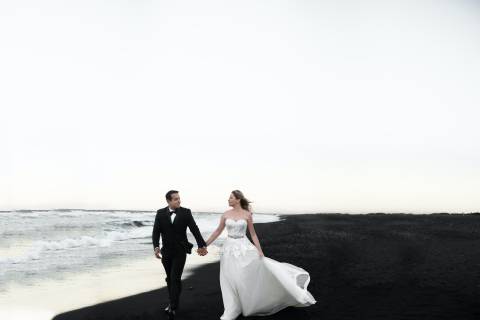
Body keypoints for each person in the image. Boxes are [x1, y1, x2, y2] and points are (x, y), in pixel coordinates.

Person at [204, 190, 316, 320]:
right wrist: (205, 244)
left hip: (244, 247)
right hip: (228, 248)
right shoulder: (225, 214)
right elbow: (218, 231)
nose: (228, 200)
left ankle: (246, 302)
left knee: (242, 276)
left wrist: (260, 250)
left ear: (238, 199)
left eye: (231, 198)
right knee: (228, 277)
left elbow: (253, 234)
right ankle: (232, 307)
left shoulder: (247, 214)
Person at [152, 190, 208, 319]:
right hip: (166, 252)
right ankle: (172, 302)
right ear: (169, 201)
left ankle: (173, 306)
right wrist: (156, 247)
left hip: (180, 251)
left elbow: (194, 229)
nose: (179, 201)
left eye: (179, 198)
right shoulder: (160, 213)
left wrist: (201, 245)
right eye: (176, 199)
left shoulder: (186, 212)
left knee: (175, 278)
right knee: (169, 278)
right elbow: (156, 231)